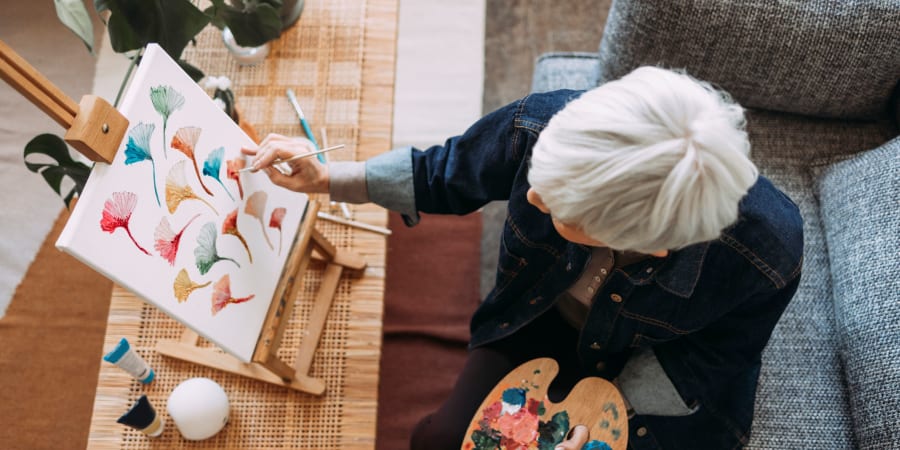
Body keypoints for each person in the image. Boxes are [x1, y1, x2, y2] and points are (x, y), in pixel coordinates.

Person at [243, 66, 804, 449]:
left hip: (649, 369)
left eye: (565, 213)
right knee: (442, 442)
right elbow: (447, 170)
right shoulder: (547, 124)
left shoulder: (767, 253)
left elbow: (711, 360)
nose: (531, 199)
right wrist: (331, 178)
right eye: (541, 179)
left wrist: (598, 414)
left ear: (651, 243)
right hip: (534, 317)